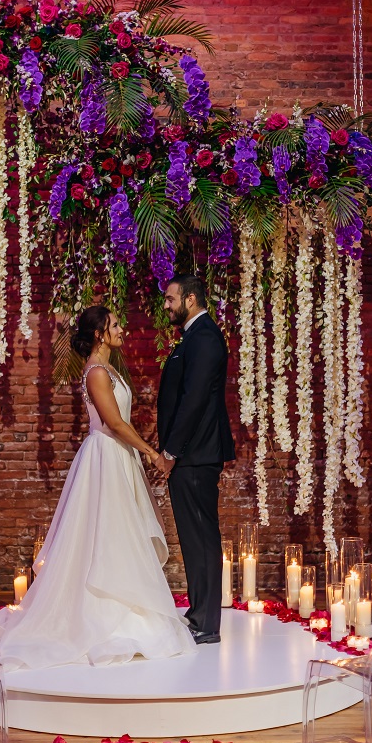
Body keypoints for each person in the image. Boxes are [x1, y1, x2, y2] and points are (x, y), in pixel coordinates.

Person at [0, 306, 195, 669]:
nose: (123, 329)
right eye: (116, 324)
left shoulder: (110, 368)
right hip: (105, 456)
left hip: (119, 459)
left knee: (118, 534)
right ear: (99, 333)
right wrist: (150, 452)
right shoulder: (96, 372)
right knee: (102, 534)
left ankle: (126, 606)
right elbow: (114, 423)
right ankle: (96, 614)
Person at [155, 274, 235, 645]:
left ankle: (207, 622)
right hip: (193, 454)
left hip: (196, 455)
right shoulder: (194, 336)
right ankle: (200, 614)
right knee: (193, 536)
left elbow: (194, 400)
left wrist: (170, 451)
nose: (166, 305)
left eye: (171, 299)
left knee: (202, 536)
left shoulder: (203, 338)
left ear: (189, 299)